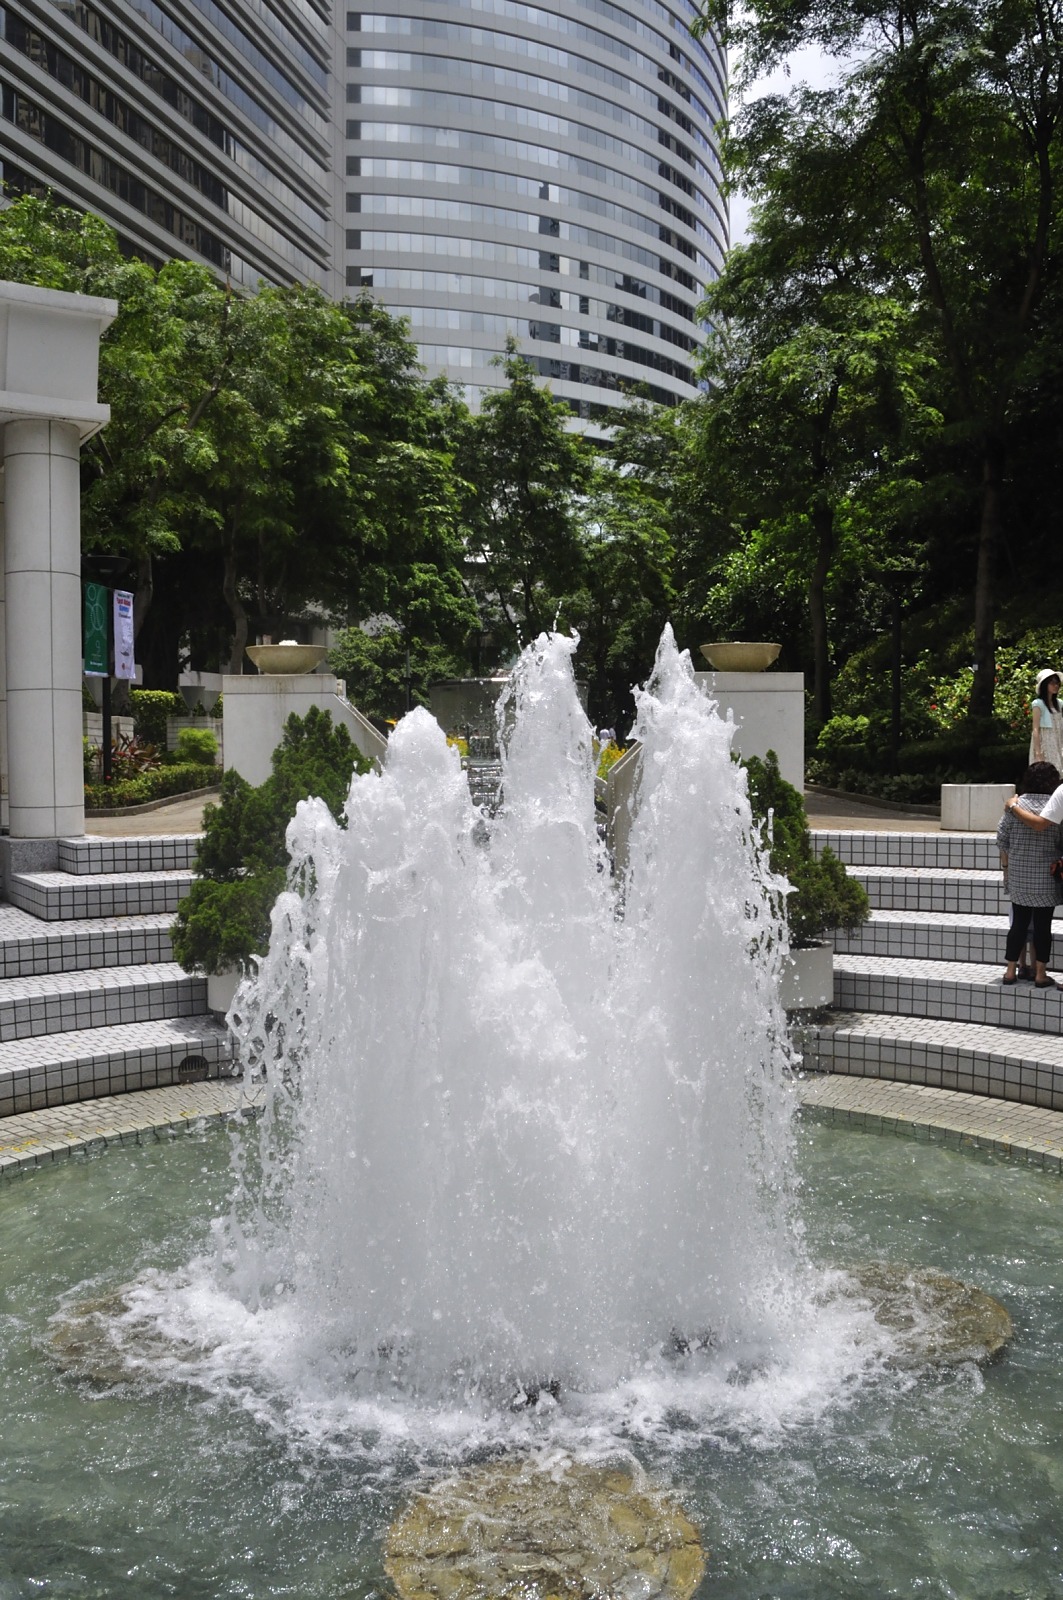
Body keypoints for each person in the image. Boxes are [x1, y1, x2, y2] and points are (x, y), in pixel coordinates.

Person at [997, 762, 1063, 988]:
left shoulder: (1015, 804)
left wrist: (1007, 867)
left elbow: (1002, 838)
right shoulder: (1056, 804)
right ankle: (1040, 974)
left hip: (1020, 874)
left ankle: (1010, 971)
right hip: (1046, 874)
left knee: (1019, 923)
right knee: (1043, 927)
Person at [1029, 669, 1063, 768]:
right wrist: (1038, 752)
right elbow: (1035, 729)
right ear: (1044, 685)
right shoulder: (1038, 704)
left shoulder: (1059, 703)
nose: (1056, 686)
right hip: (1045, 744)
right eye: (1052, 683)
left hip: (1058, 742)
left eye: (1057, 683)